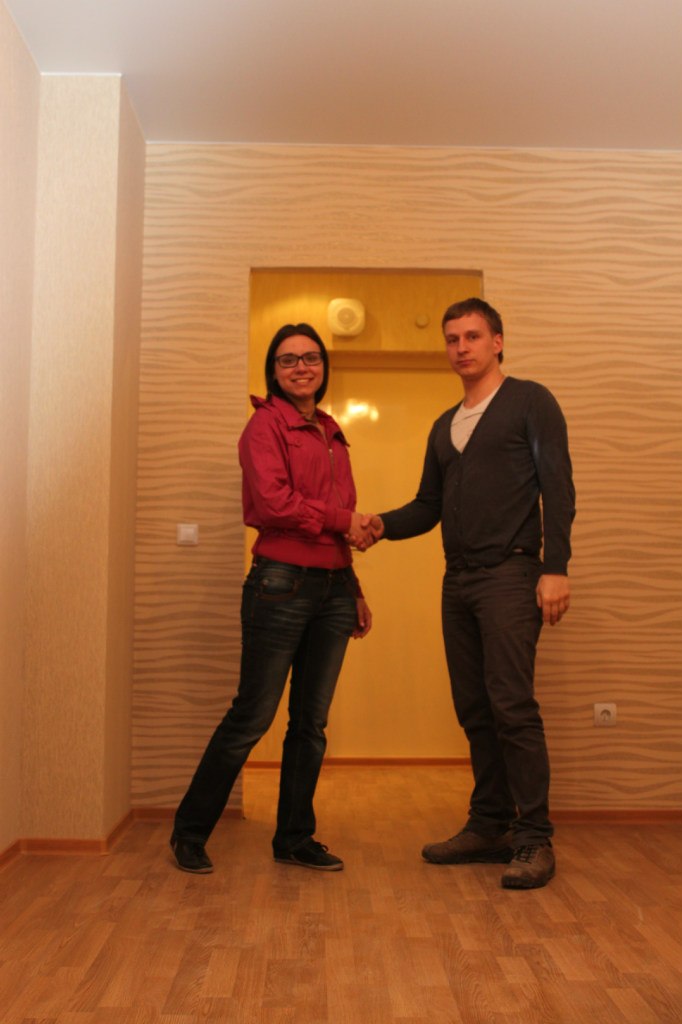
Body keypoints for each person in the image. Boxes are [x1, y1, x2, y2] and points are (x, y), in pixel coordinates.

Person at [356, 298, 575, 889]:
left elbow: (558, 487)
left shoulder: (530, 402)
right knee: (475, 708)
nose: (461, 348)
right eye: (452, 339)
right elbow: (428, 506)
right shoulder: (443, 426)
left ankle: (534, 838)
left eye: (473, 336)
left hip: (511, 575)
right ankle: (489, 826)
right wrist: (380, 524)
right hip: (458, 581)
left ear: (497, 341)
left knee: (512, 706)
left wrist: (556, 567)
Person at [171, 323, 373, 874]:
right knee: (252, 717)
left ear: (324, 366)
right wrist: (344, 521)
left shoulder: (330, 430)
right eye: (288, 360)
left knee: (311, 723)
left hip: (333, 588)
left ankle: (294, 839)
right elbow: (275, 503)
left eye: (311, 357)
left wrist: (352, 586)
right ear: (274, 370)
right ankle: (189, 832)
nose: (301, 367)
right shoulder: (264, 425)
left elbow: (335, 520)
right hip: (280, 584)